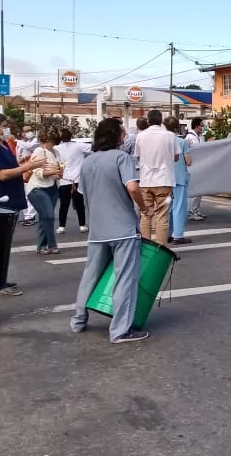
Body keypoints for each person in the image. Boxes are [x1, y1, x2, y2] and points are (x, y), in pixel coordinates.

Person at [69, 118, 149, 344]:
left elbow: (84, 192)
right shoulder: (122, 158)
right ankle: (120, 330)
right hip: (123, 228)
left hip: (97, 229)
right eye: (123, 133)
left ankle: (78, 320)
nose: (125, 137)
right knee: (125, 278)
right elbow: (133, 187)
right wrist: (144, 208)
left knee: (90, 275)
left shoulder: (88, 161)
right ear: (115, 135)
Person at [0, 112, 38, 296]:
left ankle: (0, 279)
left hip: (11, 200)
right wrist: (27, 167)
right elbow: (2, 174)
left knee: (4, 244)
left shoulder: (3, 145)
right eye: (3, 125)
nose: (7, 129)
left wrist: (25, 164)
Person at [133, 110, 179, 247]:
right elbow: (176, 157)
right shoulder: (170, 136)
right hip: (165, 181)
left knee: (146, 215)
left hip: (146, 180)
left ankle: (146, 246)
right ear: (161, 120)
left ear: (148, 120)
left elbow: (138, 156)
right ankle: (160, 247)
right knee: (162, 215)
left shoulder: (141, 136)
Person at [24, 126, 63, 255]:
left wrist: (58, 173)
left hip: (52, 187)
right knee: (49, 216)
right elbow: (38, 171)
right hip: (37, 188)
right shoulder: (39, 151)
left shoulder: (56, 152)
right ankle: (52, 245)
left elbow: (59, 169)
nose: (52, 143)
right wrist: (54, 171)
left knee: (44, 218)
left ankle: (41, 246)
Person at [55, 128, 89, 235]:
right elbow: (93, 148)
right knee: (79, 203)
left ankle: (61, 226)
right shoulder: (79, 146)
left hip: (64, 180)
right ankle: (82, 225)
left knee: (64, 204)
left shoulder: (57, 148)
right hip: (77, 179)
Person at [165, 116, 193, 246]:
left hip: (165, 178)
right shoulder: (182, 142)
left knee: (167, 207)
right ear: (177, 127)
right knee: (179, 207)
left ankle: (167, 233)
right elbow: (188, 161)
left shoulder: (162, 141)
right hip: (180, 178)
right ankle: (178, 235)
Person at [15, 123, 41, 227]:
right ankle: (27, 216)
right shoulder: (22, 142)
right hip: (22, 169)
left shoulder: (35, 141)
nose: (28, 132)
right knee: (25, 194)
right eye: (26, 131)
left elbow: (30, 147)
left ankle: (31, 216)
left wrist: (16, 140)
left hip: (31, 170)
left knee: (30, 193)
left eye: (29, 130)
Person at [185, 118, 206, 221]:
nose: (203, 127)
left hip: (201, 165)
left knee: (200, 190)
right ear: (197, 126)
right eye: (202, 125)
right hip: (192, 166)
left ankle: (196, 209)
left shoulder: (201, 136)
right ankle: (191, 211)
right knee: (194, 189)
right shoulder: (189, 137)